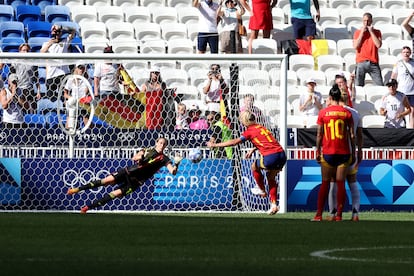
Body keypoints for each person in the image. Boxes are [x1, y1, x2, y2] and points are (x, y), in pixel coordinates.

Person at [67, 137, 183, 213]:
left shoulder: (164, 159)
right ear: (156, 142)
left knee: (114, 194)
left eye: (164, 144)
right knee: (105, 181)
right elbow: (135, 157)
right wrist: (141, 157)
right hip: (128, 172)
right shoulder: (147, 150)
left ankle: (87, 208)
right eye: (160, 142)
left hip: (136, 181)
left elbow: (172, 172)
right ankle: (76, 190)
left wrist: (176, 163)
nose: (162, 145)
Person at [207, 110, 287, 215]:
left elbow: (234, 142)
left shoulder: (249, 131)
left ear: (244, 121)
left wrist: (215, 145)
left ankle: (262, 190)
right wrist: (253, 149)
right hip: (282, 154)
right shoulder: (261, 127)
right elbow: (266, 141)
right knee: (271, 177)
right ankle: (274, 205)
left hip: (271, 156)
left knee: (254, 166)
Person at [312, 84, 355, 222]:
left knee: (325, 183)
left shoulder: (323, 113)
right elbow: (352, 135)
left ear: (330, 98)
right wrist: (353, 152)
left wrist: (317, 150)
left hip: (329, 152)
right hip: (344, 152)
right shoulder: (347, 113)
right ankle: (339, 215)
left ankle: (319, 214)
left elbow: (319, 134)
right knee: (341, 183)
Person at [327, 90, 363, 222]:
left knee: (333, 183)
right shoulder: (355, 114)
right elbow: (359, 135)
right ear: (348, 99)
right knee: (352, 182)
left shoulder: (331, 112)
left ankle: (333, 213)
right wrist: (360, 151)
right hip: (351, 152)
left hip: (336, 152)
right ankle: (355, 213)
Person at [40, 24, 76, 102]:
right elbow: (42, 52)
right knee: (51, 98)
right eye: (54, 32)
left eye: (58, 32)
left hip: (63, 73)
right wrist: (50, 43)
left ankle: (65, 111)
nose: (56, 34)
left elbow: (73, 31)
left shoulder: (65, 41)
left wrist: (62, 27)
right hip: (51, 74)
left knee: (64, 96)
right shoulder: (46, 43)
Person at [8, 43, 40, 114]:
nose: (25, 52)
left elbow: (36, 77)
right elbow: (11, 75)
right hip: (19, 89)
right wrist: (12, 87)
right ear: (20, 51)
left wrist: (38, 91)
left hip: (29, 89)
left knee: (32, 112)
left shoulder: (33, 63)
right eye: (24, 50)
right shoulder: (15, 61)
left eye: (27, 50)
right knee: (21, 110)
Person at [353, 12, 384, 87]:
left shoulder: (377, 32)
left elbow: (378, 45)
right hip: (361, 62)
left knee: (380, 86)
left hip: (373, 62)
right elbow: (355, 46)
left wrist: (371, 32)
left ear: (371, 21)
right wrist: (362, 33)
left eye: (368, 21)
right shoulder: (357, 32)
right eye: (364, 21)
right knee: (358, 86)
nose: (366, 23)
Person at [390, 46, 414, 128]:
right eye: (404, 52)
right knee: (401, 111)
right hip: (402, 91)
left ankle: (411, 129)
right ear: (401, 53)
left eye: (407, 52)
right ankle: (401, 127)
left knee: (412, 111)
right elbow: (393, 76)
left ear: (410, 53)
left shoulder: (413, 63)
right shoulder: (398, 63)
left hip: (412, 91)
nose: (406, 54)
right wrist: (392, 87)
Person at [63, 63, 91, 133]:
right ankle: (67, 139)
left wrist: (85, 98)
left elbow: (88, 94)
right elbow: (65, 94)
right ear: (76, 68)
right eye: (79, 68)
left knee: (87, 122)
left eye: (82, 68)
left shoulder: (88, 80)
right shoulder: (70, 79)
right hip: (73, 104)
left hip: (83, 104)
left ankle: (90, 137)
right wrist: (71, 98)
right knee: (70, 123)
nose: (81, 70)